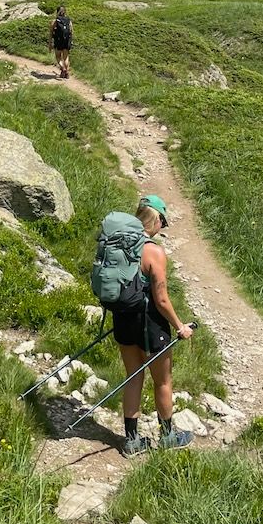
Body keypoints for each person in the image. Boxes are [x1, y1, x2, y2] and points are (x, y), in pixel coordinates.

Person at [112, 194, 194, 454]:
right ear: (156, 219)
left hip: (123, 317)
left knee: (133, 376)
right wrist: (180, 326)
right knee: (162, 380)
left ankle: (132, 440)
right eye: (163, 222)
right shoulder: (154, 252)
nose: (163, 227)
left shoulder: (118, 244)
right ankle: (168, 435)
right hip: (150, 323)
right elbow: (161, 299)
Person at [48, 4, 73, 78]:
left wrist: (50, 43)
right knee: (66, 57)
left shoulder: (55, 21)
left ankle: (63, 69)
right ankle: (67, 72)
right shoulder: (69, 20)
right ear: (65, 12)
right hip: (66, 41)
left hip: (58, 41)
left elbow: (51, 33)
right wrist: (70, 41)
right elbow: (71, 31)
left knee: (58, 56)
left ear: (57, 12)